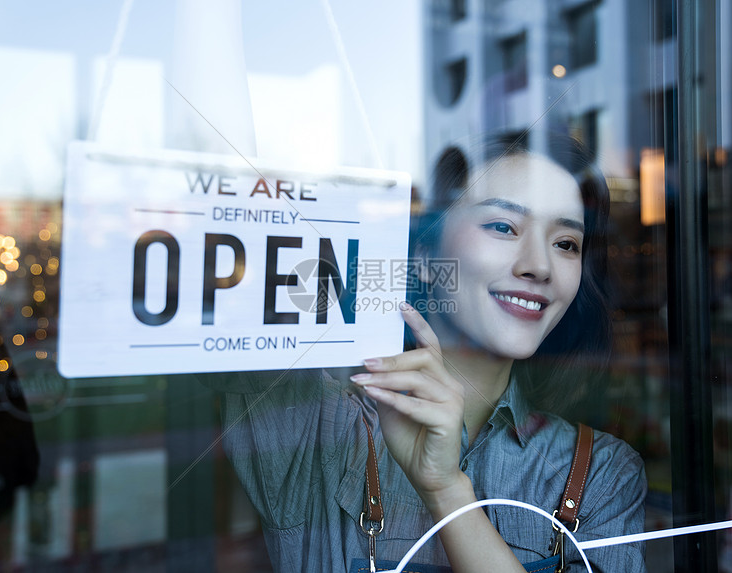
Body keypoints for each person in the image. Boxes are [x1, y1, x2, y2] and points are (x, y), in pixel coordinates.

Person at [198, 140, 646, 572]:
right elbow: (225, 213)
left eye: (566, 243)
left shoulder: (600, 474)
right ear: (426, 255)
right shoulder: (319, 428)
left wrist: (447, 490)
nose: (540, 266)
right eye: (503, 227)